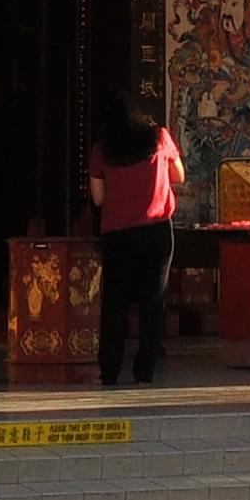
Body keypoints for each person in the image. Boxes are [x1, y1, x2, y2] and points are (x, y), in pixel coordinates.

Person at [93, 95, 183, 387]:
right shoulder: (158, 138)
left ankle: (109, 370)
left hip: (117, 235)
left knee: (115, 303)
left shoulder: (102, 150)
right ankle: (145, 370)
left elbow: (98, 198)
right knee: (153, 301)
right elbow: (179, 175)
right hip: (156, 230)